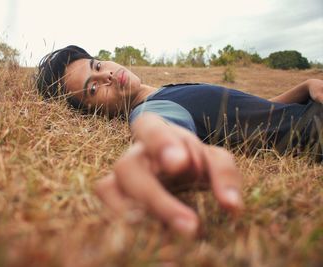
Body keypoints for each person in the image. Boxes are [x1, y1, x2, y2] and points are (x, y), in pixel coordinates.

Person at [36, 45, 323, 238]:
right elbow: (156, 127)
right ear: (96, 111)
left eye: (97, 65)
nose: (107, 75)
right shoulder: (150, 108)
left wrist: (305, 87)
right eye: (94, 88)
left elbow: (262, 111)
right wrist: (159, 147)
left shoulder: (167, 91)